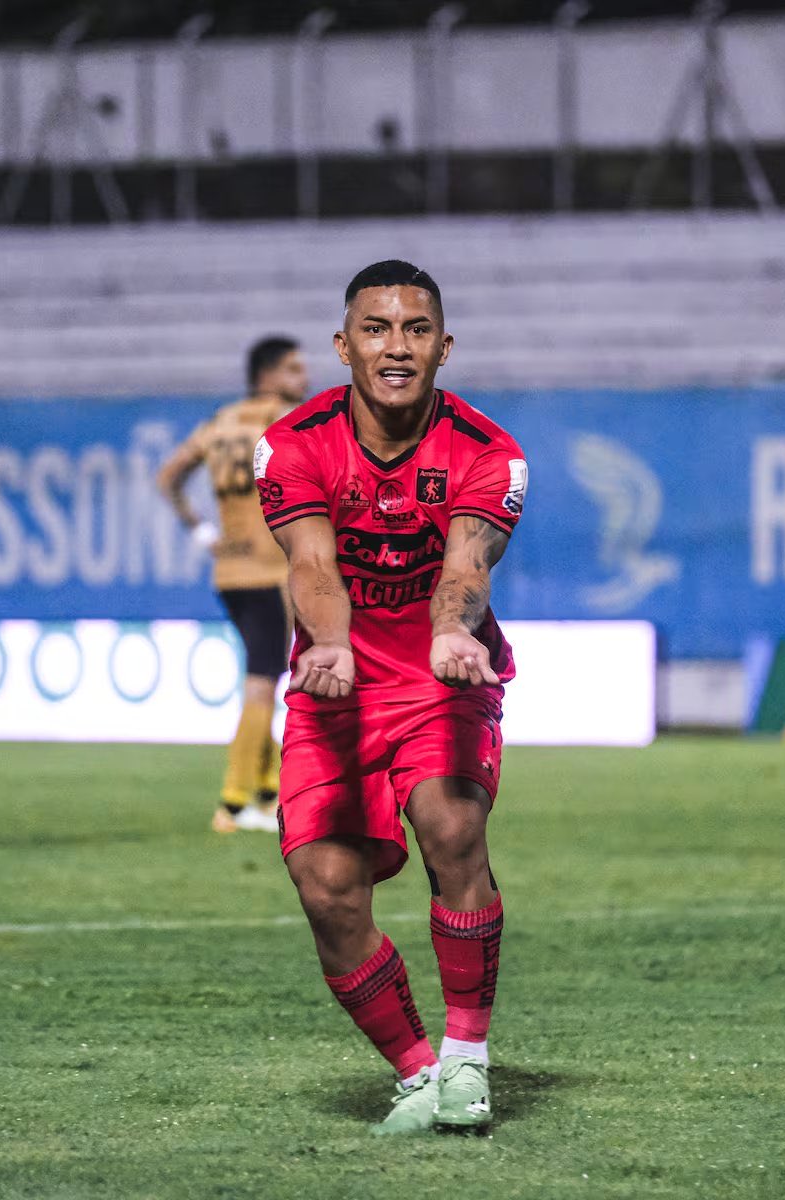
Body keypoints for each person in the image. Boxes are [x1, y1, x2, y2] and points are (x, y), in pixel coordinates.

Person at [254, 260, 527, 1134]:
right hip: (335, 686)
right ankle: (417, 1071)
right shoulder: (293, 444)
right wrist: (331, 643)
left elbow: (466, 565)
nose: (397, 346)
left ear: (445, 347)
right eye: (376, 329)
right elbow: (311, 565)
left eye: (416, 330)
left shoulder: (489, 453)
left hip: (441, 679)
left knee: (453, 825)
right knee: (327, 888)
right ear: (344, 347)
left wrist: (451, 631)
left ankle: (468, 1056)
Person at [158, 336, 309, 832]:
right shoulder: (287, 422)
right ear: (267, 375)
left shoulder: (219, 423)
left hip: (229, 571)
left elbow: (168, 477)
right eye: (293, 369)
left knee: (262, 673)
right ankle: (233, 802)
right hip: (270, 571)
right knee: (264, 682)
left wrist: (203, 532)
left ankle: (266, 793)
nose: (303, 379)